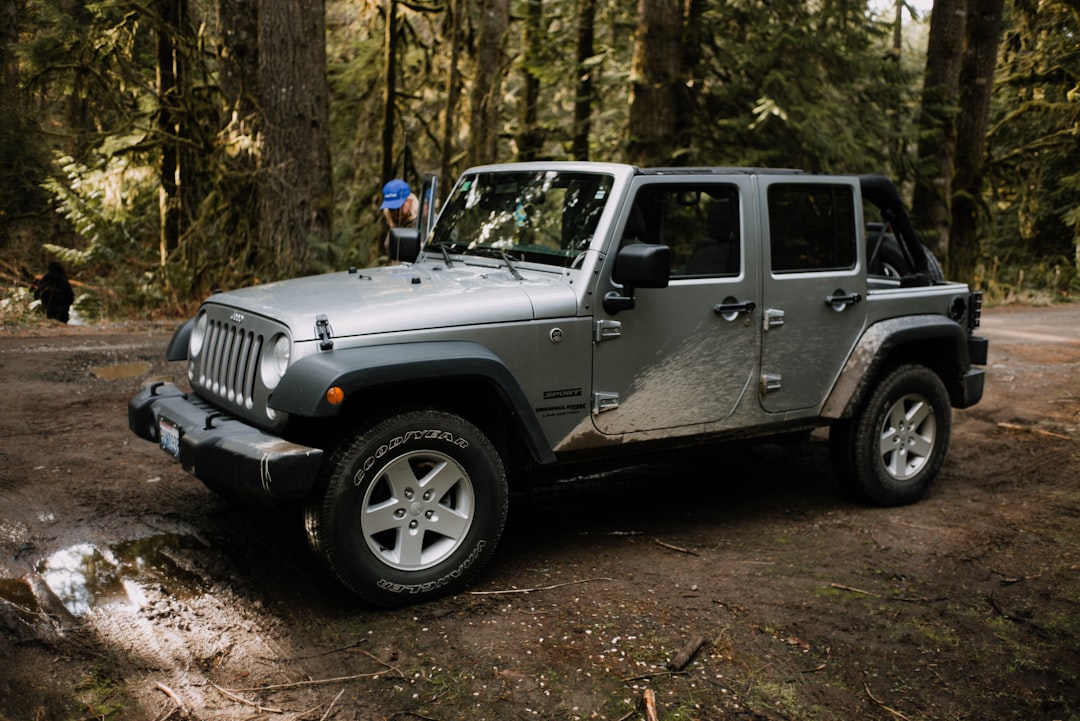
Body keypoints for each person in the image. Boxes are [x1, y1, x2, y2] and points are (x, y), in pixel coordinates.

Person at [380, 179, 420, 263]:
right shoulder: (395, 222)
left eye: (398, 207)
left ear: (409, 200)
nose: (395, 212)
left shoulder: (422, 221)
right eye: (391, 208)